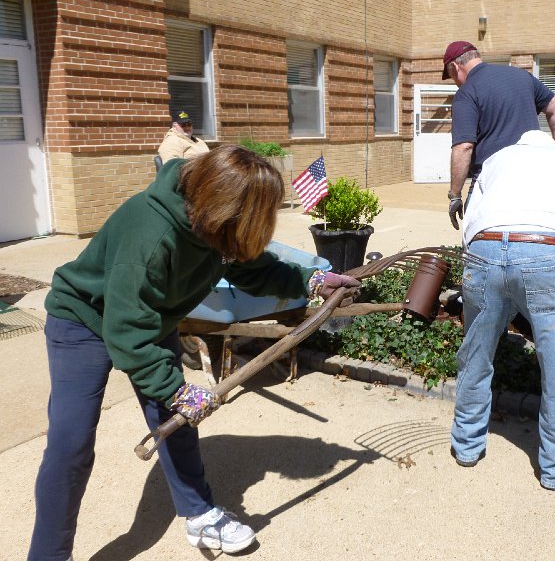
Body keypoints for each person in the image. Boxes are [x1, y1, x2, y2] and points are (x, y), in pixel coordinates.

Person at [28, 145, 360, 560]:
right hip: (83, 320)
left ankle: (200, 514)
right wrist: (175, 389)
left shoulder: (212, 224)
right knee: (71, 443)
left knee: (176, 422)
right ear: (224, 208)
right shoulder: (149, 233)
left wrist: (311, 281)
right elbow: (127, 330)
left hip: (153, 317)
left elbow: (249, 264)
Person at [449, 130, 555, 491]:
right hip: (547, 252)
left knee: (475, 354)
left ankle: (467, 448)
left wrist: (475, 265)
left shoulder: (496, 161)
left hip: (484, 250)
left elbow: (471, 220)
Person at [442, 40, 555, 229]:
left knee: (477, 241)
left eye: (451, 76)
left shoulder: (467, 92)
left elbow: (464, 146)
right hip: (536, 176)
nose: (455, 82)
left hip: (492, 183)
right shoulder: (521, 77)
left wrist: (455, 194)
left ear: (455, 66)